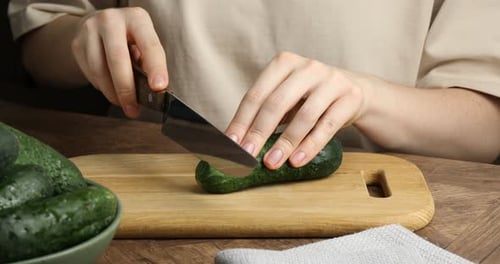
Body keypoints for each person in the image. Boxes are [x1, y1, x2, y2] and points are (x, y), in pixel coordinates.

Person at [8, 0, 500, 167]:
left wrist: (368, 98)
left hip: (370, 205)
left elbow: (485, 125)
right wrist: (85, 38)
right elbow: (38, 45)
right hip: (142, 175)